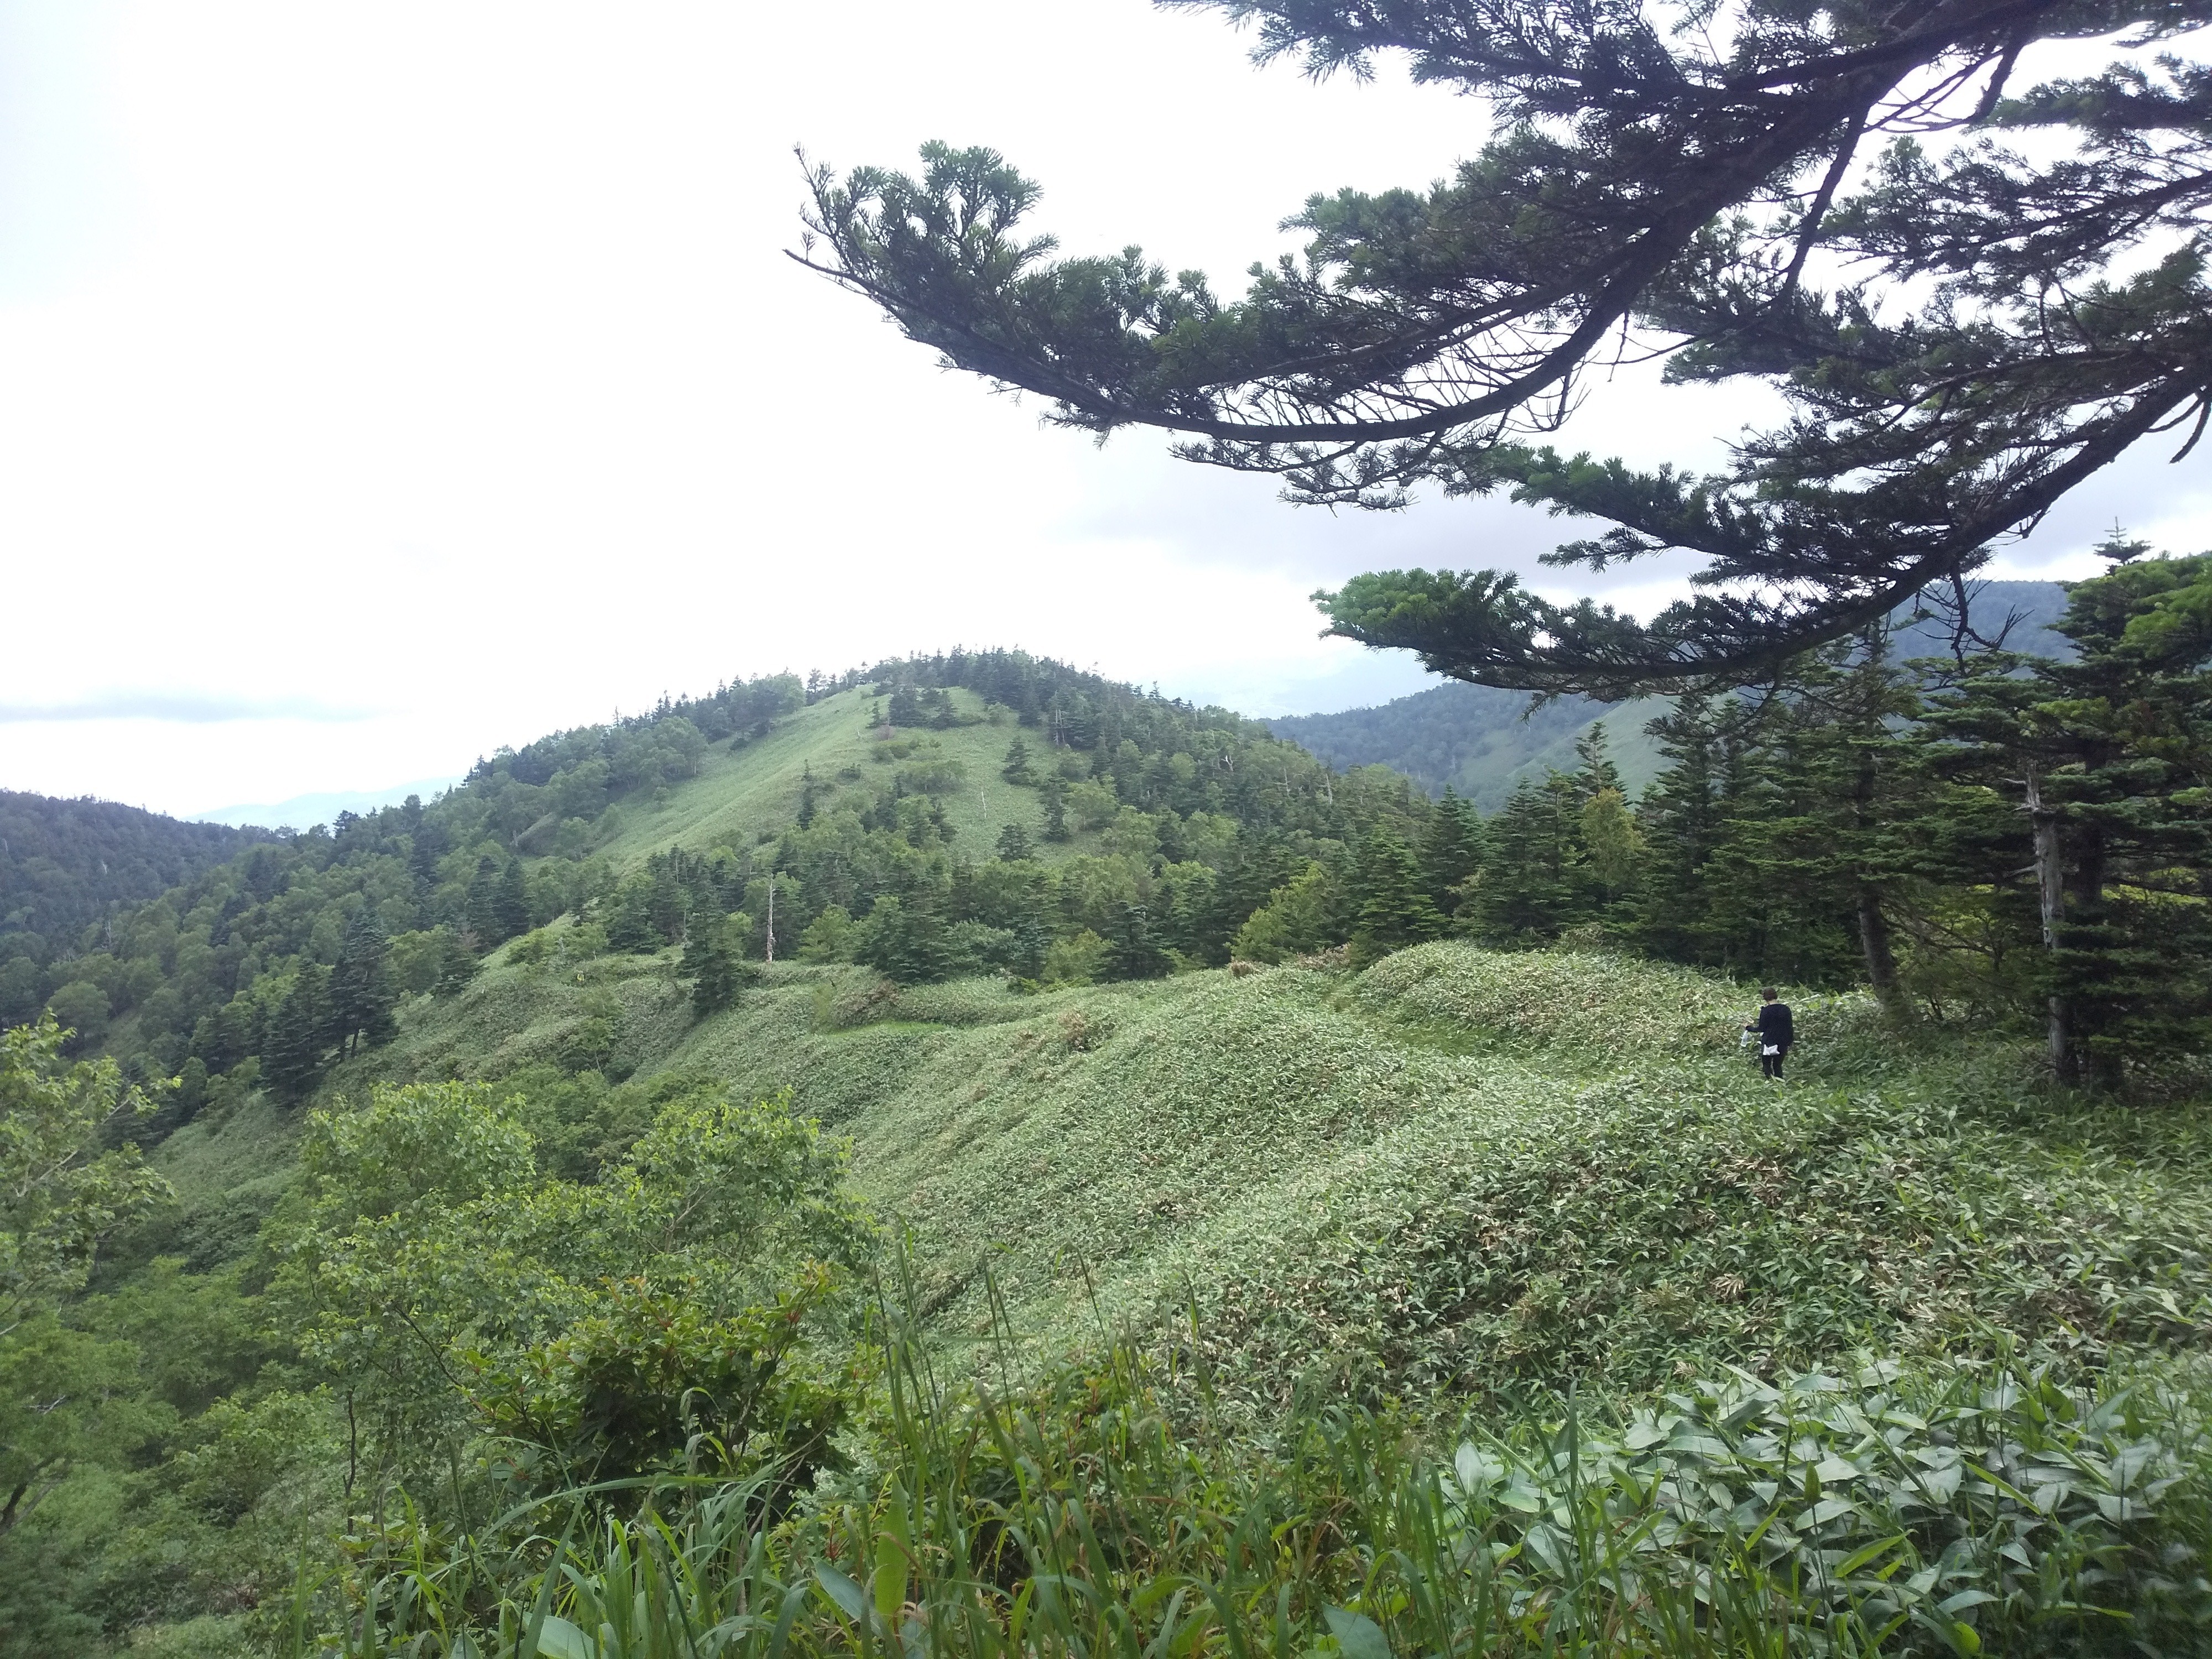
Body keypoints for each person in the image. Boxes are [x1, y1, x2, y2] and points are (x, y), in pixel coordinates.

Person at [1745, 987, 1793, 1079]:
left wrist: (1748, 1028)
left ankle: (1770, 1082)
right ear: (1776, 996)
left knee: (1767, 1065)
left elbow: (1761, 1028)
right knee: (1778, 1066)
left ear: (1765, 998)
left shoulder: (1766, 1011)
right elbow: (1790, 1027)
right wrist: (1790, 1041)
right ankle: (1780, 1083)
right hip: (1783, 1042)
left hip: (1769, 1042)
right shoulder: (1786, 1009)